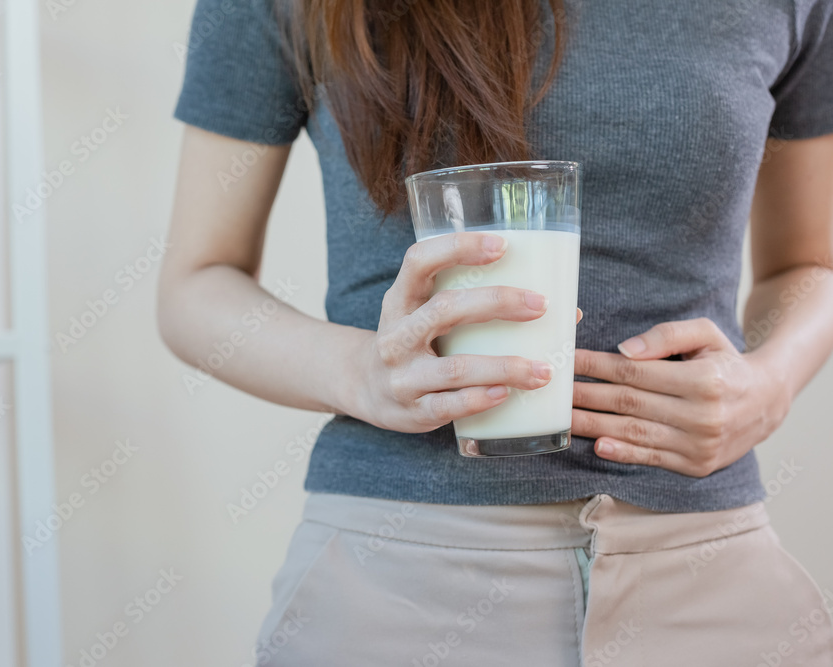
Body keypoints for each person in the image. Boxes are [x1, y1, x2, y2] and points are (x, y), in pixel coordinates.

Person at [159, 0, 833, 663]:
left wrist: (771, 381)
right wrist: (361, 371)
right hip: (399, 582)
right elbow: (196, 283)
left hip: (710, 568)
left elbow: (811, 263)